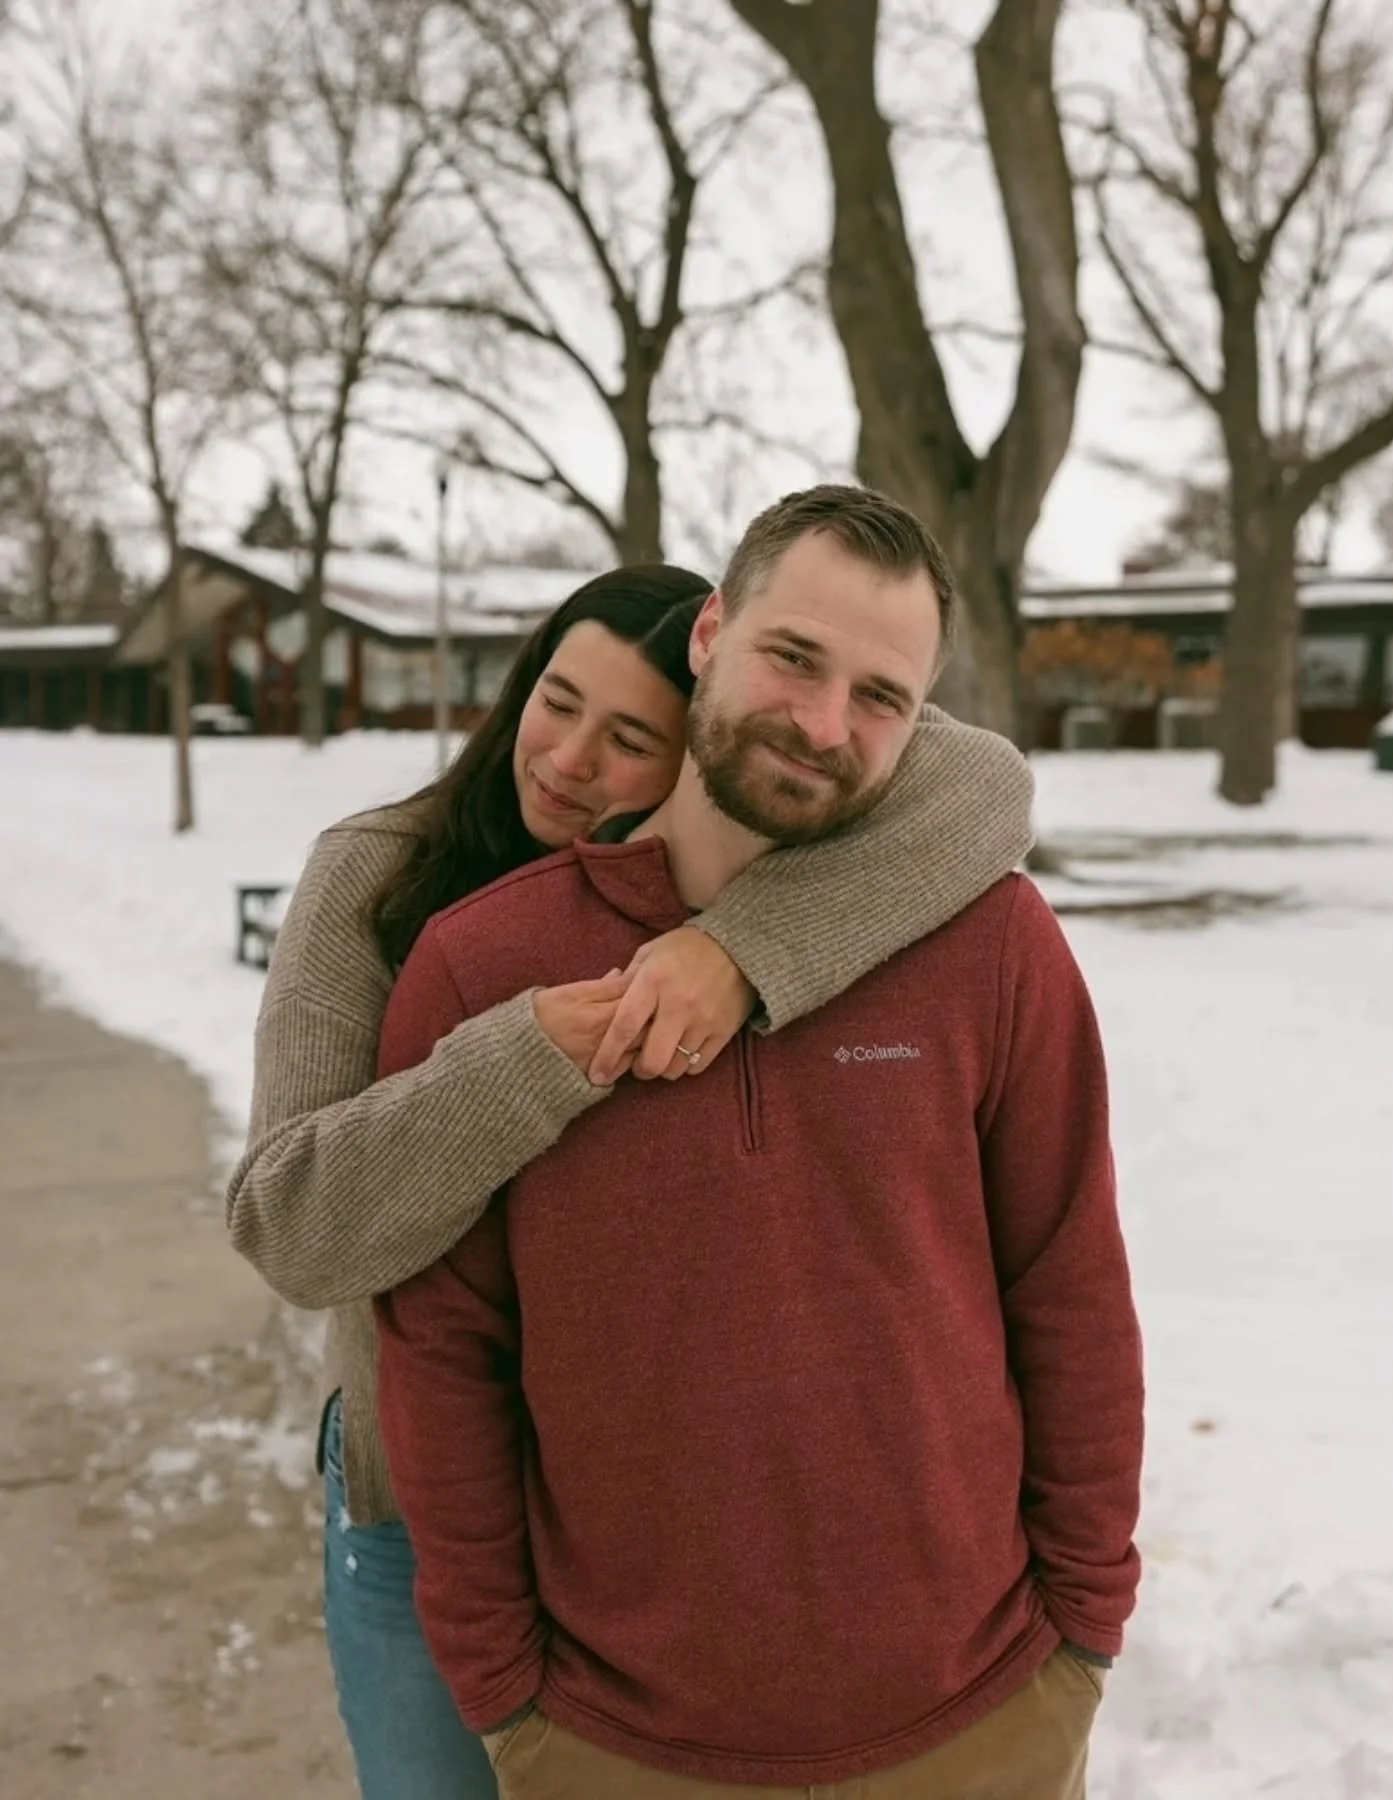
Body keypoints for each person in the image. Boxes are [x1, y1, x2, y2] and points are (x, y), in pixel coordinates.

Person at [374, 485, 1145, 1800]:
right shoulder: (487, 965)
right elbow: (447, 1352)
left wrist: (1083, 1627)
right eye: (794, 657)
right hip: (619, 1745)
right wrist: (511, 1697)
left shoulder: (996, 947)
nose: (825, 724)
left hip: (981, 1717)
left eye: (881, 696)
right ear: (711, 633)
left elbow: (1068, 1286)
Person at [228, 552, 1035, 1800]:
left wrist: (737, 950)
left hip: (637, 1512)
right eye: (556, 702)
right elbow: (294, 1231)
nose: (567, 760)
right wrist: (524, 1052)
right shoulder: (378, 876)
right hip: (421, 1502)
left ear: (698, 749)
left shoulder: (753, 884)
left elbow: (985, 785)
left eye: (627, 738)